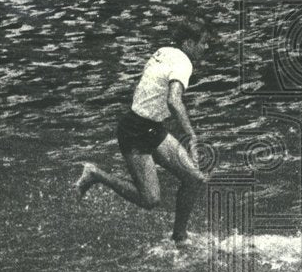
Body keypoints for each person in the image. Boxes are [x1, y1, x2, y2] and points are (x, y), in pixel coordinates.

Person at [75, 21, 208, 246]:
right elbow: (174, 101)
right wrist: (192, 138)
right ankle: (96, 174)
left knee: (194, 178)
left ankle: (179, 237)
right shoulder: (184, 63)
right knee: (150, 199)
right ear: (188, 43)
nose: (206, 48)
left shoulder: (165, 51)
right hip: (135, 130)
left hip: (151, 127)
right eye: (203, 43)